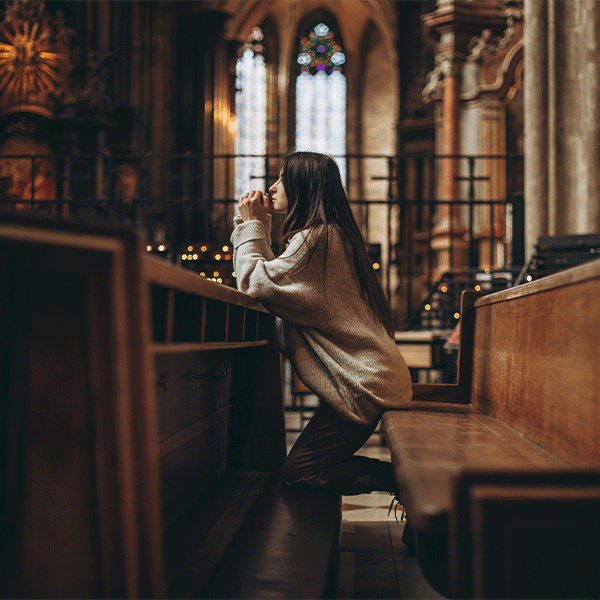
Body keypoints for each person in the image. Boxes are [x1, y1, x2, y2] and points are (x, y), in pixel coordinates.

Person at [231, 151, 412, 500]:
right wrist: (258, 228)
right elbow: (278, 287)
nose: (272, 186)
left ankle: (405, 483)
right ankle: (405, 483)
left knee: (299, 472)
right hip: (367, 379)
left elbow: (256, 281)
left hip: (363, 385)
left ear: (303, 186)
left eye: (282, 178)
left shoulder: (318, 239)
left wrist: (252, 224)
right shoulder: (327, 236)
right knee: (300, 468)